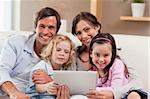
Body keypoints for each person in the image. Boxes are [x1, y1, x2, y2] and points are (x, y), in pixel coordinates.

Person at [71, 12, 144, 99]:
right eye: (79, 33)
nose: (84, 36)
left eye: (87, 29)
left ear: (97, 27)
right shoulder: (74, 54)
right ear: (91, 54)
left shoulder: (114, 54)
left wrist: (114, 94)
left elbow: (137, 83)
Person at [0, 7, 61, 99]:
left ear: (56, 31)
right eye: (42, 26)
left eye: (51, 27)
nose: (45, 32)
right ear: (35, 27)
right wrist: (14, 93)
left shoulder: (60, 52)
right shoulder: (15, 42)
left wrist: (51, 80)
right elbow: (2, 70)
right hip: (7, 94)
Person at [26, 34, 76, 98]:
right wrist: (48, 86)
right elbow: (38, 88)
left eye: (66, 52)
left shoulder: (66, 69)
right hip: (37, 96)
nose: (62, 54)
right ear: (51, 50)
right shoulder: (41, 66)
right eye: (58, 50)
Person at [87, 33, 129, 97]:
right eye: (97, 55)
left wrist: (92, 90)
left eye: (106, 55)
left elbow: (116, 89)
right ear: (91, 53)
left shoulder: (117, 64)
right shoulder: (91, 71)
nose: (101, 60)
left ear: (112, 55)